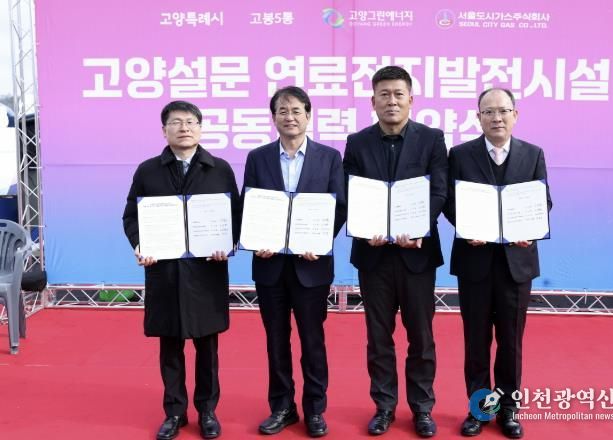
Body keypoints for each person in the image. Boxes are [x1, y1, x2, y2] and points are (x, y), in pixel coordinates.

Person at [122, 100, 240, 440]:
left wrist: (228, 243)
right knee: (170, 346)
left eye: (190, 121)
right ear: (164, 130)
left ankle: (207, 412)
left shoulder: (219, 169)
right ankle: (174, 412)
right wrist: (140, 245)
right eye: (176, 122)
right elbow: (131, 216)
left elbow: (234, 215)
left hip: (206, 272)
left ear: (200, 128)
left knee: (207, 348)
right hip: (165, 272)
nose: (184, 127)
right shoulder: (148, 171)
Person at [343, 66, 448, 437]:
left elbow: (439, 190)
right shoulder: (357, 142)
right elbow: (349, 191)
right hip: (372, 256)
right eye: (384, 94)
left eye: (398, 94)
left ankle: (422, 408)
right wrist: (362, 226)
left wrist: (419, 227)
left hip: (417, 254)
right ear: (372, 101)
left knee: (421, 336)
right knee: (378, 337)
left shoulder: (431, 139)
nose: (391, 101)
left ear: (411, 99)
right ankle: (384, 407)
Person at [444, 88, 552, 439]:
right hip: (475, 261)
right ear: (478, 118)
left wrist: (530, 230)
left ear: (515, 115)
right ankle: (480, 410)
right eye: (488, 112)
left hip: (515, 265)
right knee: (476, 342)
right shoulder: (460, 154)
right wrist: (467, 226)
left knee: (511, 342)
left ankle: (508, 410)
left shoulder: (533, 154)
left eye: (503, 111)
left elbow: (543, 202)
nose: (496, 118)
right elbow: (449, 201)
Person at [242, 86, 346, 437]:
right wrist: (255, 240)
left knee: (312, 339)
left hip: (311, 265)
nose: (290, 117)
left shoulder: (329, 157)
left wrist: (319, 240)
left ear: (308, 115)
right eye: (282, 111)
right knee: (276, 340)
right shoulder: (258, 158)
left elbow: (339, 206)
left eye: (296, 110)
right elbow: (250, 204)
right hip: (270, 265)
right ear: (274, 118)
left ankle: (315, 409)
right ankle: (282, 407)